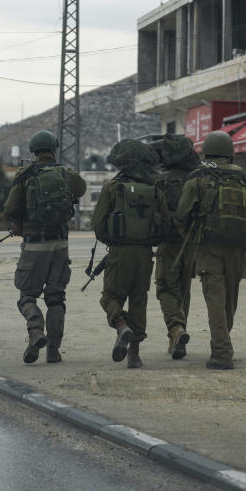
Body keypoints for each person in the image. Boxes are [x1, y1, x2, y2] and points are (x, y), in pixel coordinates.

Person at [174, 131, 246, 370]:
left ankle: (222, 353)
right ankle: (222, 342)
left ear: (207, 152)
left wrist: (193, 237)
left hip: (208, 247)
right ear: (230, 152)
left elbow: (181, 215)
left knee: (215, 300)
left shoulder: (199, 176)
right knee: (229, 302)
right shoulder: (243, 176)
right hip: (238, 248)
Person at [3, 130, 87, 364]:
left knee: (27, 296)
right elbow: (81, 189)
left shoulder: (25, 175)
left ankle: (35, 330)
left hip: (34, 246)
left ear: (34, 150)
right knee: (56, 298)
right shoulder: (65, 174)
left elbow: (10, 208)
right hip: (60, 245)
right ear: (54, 148)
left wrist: (19, 224)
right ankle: (53, 350)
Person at [91, 139, 169, 369]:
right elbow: (165, 224)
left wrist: (115, 241)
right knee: (139, 300)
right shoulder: (155, 189)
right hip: (145, 254)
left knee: (109, 297)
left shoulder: (112, 187)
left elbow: (98, 224)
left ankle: (121, 327)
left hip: (119, 252)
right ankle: (134, 355)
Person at [150, 134, 200, 359]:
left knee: (165, 289)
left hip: (168, 243)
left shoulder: (159, 180)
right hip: (192, 244)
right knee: (183, 291)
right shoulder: (197, 179)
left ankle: (176, 328)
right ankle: (177, 338)